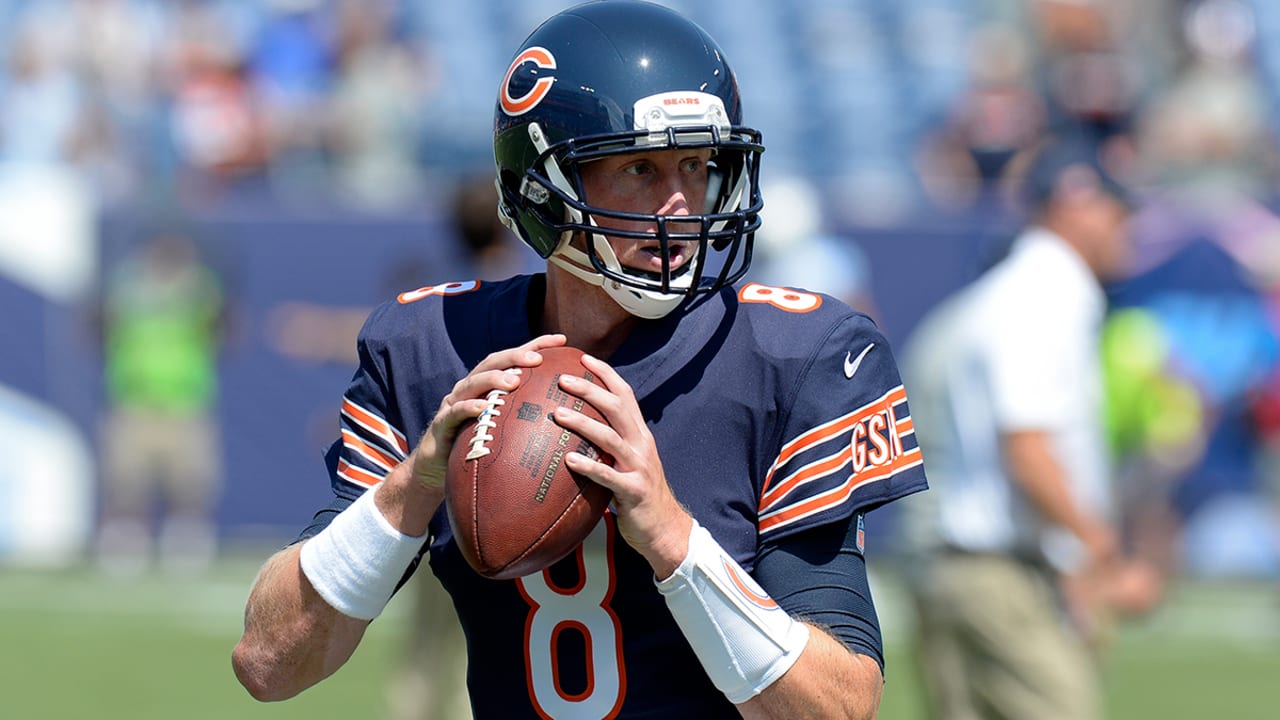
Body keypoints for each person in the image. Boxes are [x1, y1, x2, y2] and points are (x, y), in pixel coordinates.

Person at [232, 2, 927, 718]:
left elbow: (840, 709)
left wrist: (670, 536)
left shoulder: (796, 356)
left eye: (696, 163)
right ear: (541, 188)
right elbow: (268, 663)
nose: (682, 203)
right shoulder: (430, 350)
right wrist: (414, 487)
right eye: (638, 167)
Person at [897, 136, 1162, 720]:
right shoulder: (1043, 295)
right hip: (997, 576)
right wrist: (1101, 553)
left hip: (968, 566)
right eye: (1117, 210)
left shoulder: (1015, 292)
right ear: (1075, 203)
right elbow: (1030, 451)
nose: (1129, 228)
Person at [97, 227, 227, 576]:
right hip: (135, 396)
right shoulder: (127, 285)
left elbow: (219, 327)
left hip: (184, 397)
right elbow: (103, 325)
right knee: (126, 481)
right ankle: (125, 546)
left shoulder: (200, 287)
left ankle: (185, 546)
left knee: (188, 482)